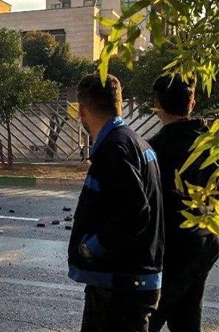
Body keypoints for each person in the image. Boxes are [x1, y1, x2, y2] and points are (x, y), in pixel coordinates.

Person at [68, 73, 163, 332]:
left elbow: (136, 212)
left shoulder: (115, 148)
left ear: (82, 110)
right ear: (119, 104)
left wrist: (90, 248)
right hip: (133, 280)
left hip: (119, 286)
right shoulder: (137, 143)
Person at [147, 74, 219, 332]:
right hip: (207, 241)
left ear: (157, 104)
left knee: (149, 318)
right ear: (192, 103)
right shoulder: (210, 145)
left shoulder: (154, 150)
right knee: (187, 315)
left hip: (172, 247)